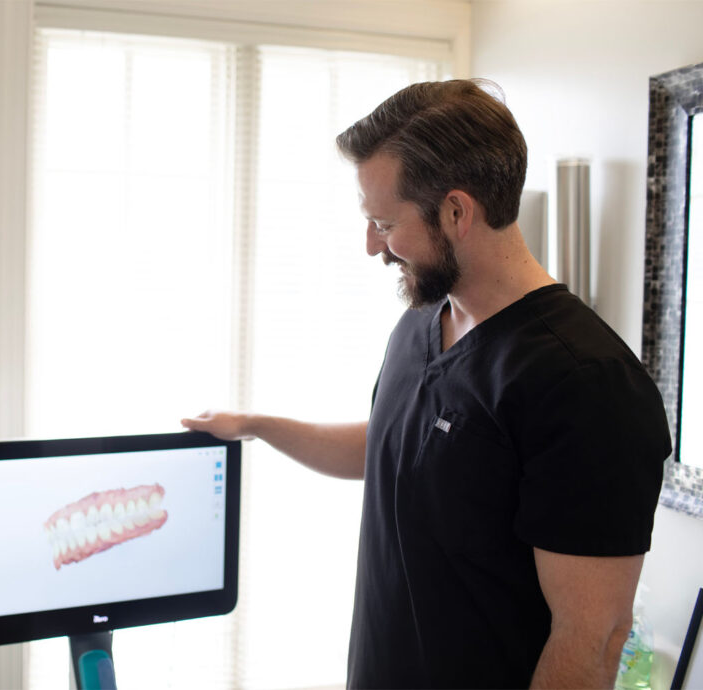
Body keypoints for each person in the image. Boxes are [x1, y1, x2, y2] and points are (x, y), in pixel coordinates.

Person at [183, 79, 671, 689]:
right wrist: (255, 426)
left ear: (457, 212)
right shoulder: (422, 321)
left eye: (383, 222)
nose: (371, 246)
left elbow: (591, 641)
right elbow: (393, 446)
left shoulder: (584, 383)